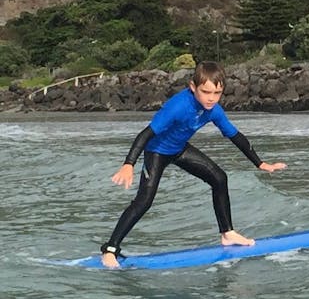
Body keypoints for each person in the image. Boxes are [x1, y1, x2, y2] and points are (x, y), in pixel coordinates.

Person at [101, 61, 287, 268]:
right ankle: (110, 249)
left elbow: (235, 136)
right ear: (193, 87)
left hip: (179, 148)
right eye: (206, 92)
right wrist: (129, 164)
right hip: (156, 151)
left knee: (219, 178)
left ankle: (227, 233)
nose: (211, 98)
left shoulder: (214, 110)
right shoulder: (178, 107)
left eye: (217, 93)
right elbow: (145, 134)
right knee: (144, 201)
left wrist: (260, 164)